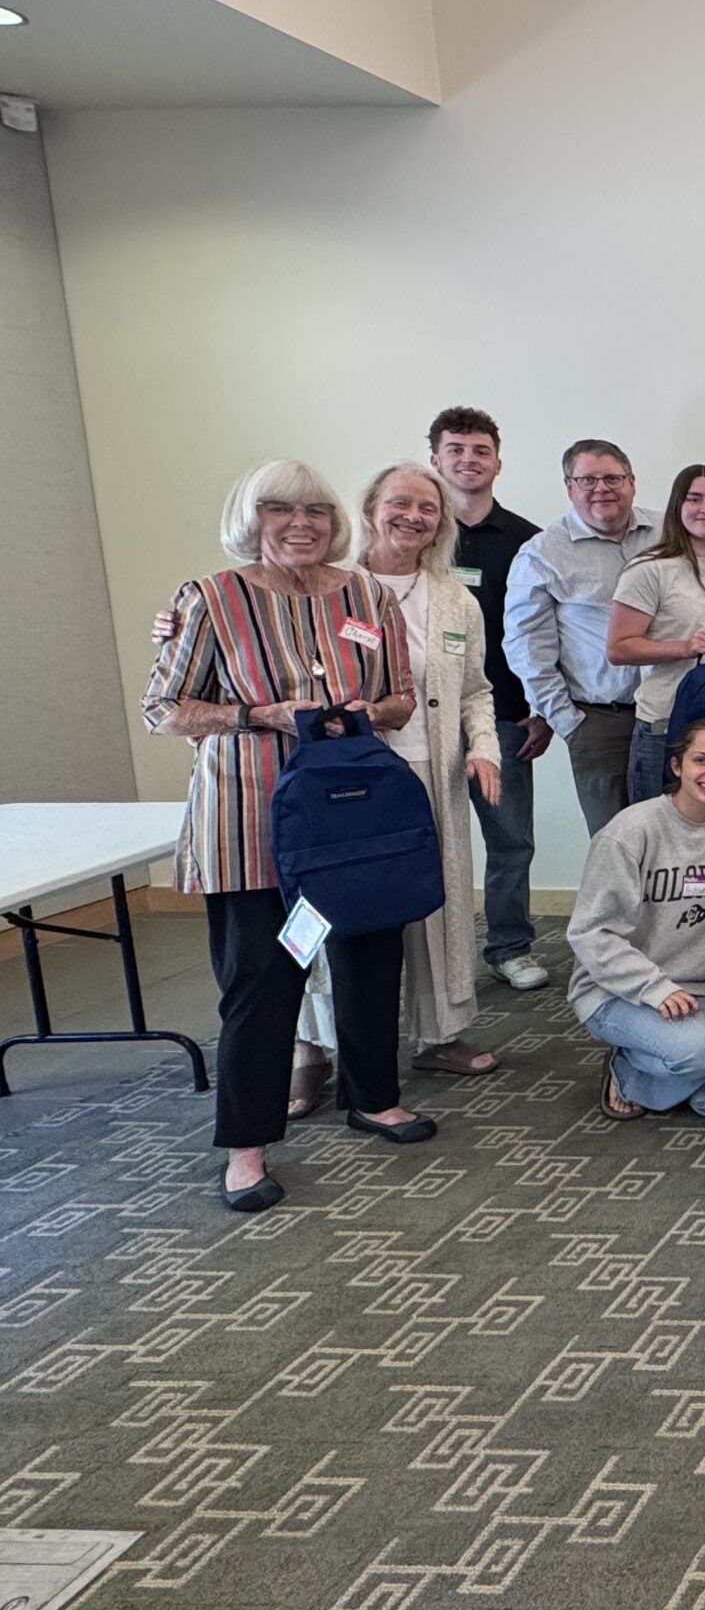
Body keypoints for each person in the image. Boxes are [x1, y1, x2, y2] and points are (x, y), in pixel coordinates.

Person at [142, 460, 433, 1214]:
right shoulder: (210, 598)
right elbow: (163, 708)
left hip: (352, 818)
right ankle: (246, 1146)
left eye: (314, 510)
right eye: (279, 509)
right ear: (251, 518)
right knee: (263, 982)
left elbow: (402, 696)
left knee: (370, 958)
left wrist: (369, 710)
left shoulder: (367, 595)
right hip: (252, 824)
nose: (300, 523)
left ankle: (373, 1097)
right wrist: (255, 715)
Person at [295, 465, 508, 1084]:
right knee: (333, 899)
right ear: (370, 508)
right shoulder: (327, 588)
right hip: (346, 773)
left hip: (430, 771)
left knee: (435, 901)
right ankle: (311, 1043)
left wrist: (484, 748)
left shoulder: (455, 599)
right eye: (400, 503)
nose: (413, 517)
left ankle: (440, 1032)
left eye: (428, 508)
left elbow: (475, 690)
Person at [568, 714, 705, 1122]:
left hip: (699, 987)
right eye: (701, 760)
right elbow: (590, 932)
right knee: (701, 1051)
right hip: (619, 990)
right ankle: (628, 1068)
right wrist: (654, 989)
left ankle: (658, 1062)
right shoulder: (631, 830)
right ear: (676, 765)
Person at [428, 406, 549, 992]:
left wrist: (542, 709)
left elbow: (544, 633)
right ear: (435, 459)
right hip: (419, 720)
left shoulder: (529, 540)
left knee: (510, 839)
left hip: (504, 717)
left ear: (498, 462)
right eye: (455, 449)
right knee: (426, 840)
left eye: (480, 450)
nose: (468, 460)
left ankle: (509, 947)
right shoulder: (415, 535)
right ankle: (430, 954)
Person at [504, 439, 659, 833]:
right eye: (588, 479)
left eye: (612, 478)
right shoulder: (542, 553)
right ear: (569, 487)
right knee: (615, 843)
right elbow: (525, 645)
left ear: (632, 482)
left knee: (674, 835)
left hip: (672, 713)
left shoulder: (668, 533)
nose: (601, 488)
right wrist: (568, 721)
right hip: (601, 722)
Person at [607, 464, 705, 806]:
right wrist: (683, 648)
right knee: (658, 826)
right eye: (694, 499)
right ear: (677, 507)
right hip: (665, 724)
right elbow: (619, 648)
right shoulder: (649, 569)